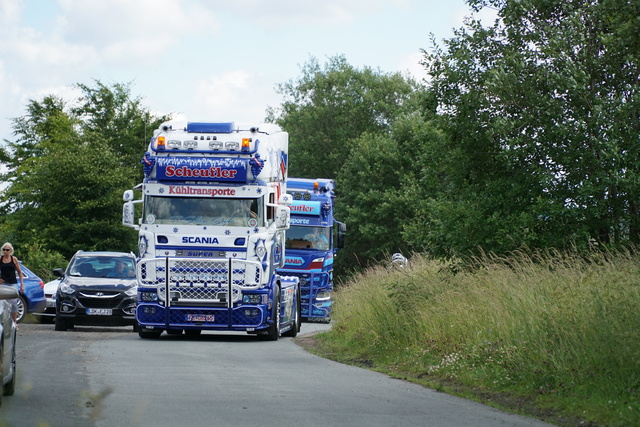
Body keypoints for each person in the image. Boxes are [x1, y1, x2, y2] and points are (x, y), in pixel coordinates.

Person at [0, 243, 25, 324]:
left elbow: (20, 272)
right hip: (3, 283)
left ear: (11, 251)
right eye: (4, 250)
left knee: (14, 303)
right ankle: (3, 322)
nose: (5, 251)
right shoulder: (0, 258)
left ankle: (14, 322)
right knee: (3, 303)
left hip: (13, 283)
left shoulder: (14, 259)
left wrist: (22, 284)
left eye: (7, 250)